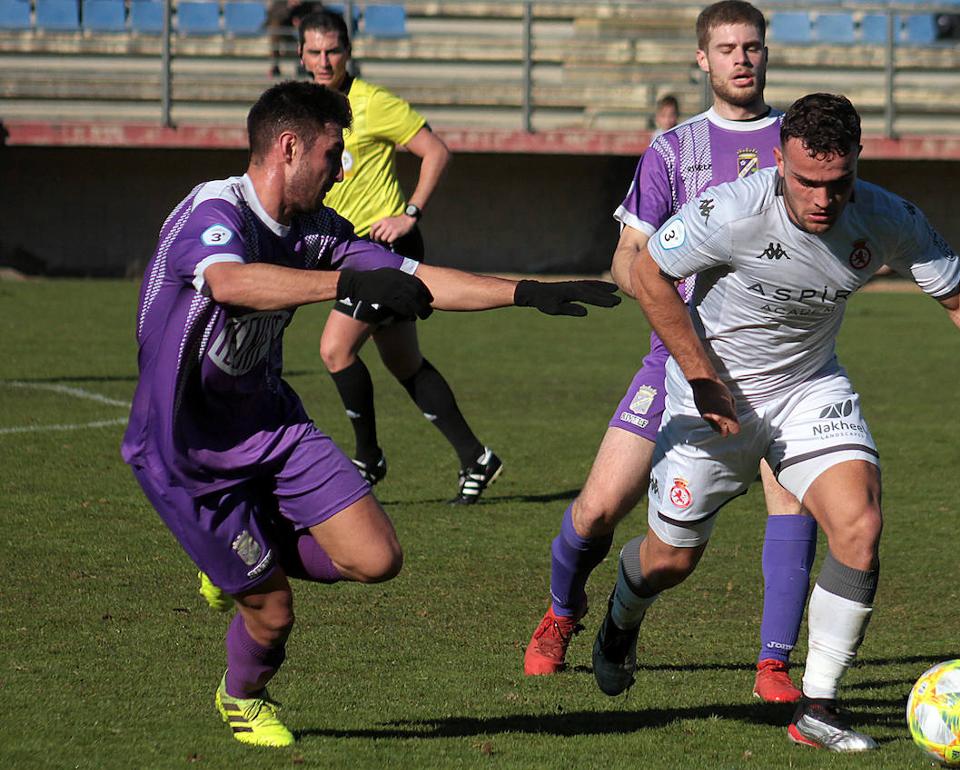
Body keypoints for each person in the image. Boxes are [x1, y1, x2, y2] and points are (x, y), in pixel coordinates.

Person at [121, 80, 618, 748]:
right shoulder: (216, 212)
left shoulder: (319, 228)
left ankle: (240, 558)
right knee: (270, 612)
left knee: (377, 558)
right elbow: (229, 283)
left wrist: (527, 292)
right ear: (289, 147)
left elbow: (414, 277)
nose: (341, 170)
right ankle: (243, 695)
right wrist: (348, 283)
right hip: (185, 450)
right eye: (333, 154)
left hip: (271, 423)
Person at [591, 92, 960, 753]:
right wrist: (700, 375)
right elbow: (648, 273)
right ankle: (621, 614)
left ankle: (818, 708)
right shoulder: (732, 210)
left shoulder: (886, 216)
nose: (822, 200)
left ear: (857, 166)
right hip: (710, 399)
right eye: (806, 182)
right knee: (671, 560)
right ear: (779, 161)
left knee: (860, 524)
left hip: (808, 390)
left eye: (838, 184)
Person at [522, 0, 818, 705]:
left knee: (794, 503)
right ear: (703, 59)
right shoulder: (670, 151)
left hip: (780, 363)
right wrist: (664, 280)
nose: (741, 58)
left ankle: (774, 665)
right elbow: (626, 258)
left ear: (766, 54)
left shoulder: (797, 143)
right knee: (597, 512)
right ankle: (563, 614)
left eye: (752, 46)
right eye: (727, 48)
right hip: (677, 363)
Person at [300, 11, 500, 504]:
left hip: (385, 249)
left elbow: (436, 151)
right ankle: (477, 457)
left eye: (333, 51)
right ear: (301, 54)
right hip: (351, 253)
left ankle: (367, 459)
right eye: (314, 52)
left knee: (335, 349)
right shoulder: (306, 109)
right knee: (405, 363)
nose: (324, 61)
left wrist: (409, 213)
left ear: (348, 51)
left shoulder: (373, 102)